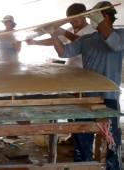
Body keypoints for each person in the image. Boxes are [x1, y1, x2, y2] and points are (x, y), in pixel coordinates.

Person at [48, 1, 123, 169]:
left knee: (111, 136)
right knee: (83, 133)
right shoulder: (87, 39)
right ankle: (83, 164)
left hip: (109, 95)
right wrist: (53, 33)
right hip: (88, 95)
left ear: (107, 16)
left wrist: (101, 21)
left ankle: (113, 166)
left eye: (96, 16)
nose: (92, 19)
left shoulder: (120, 35)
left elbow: (114, 44)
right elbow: (64, 52)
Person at [26, 3, 95, 67]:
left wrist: (65, 33)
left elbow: (84, 43)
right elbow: (55, 41)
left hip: (85, 71)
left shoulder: (92, 30)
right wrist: (35, 42)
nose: (72, 23)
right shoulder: (70, 29)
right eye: (70, 20)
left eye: (75, 20)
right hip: (70, 68)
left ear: (84, 16)